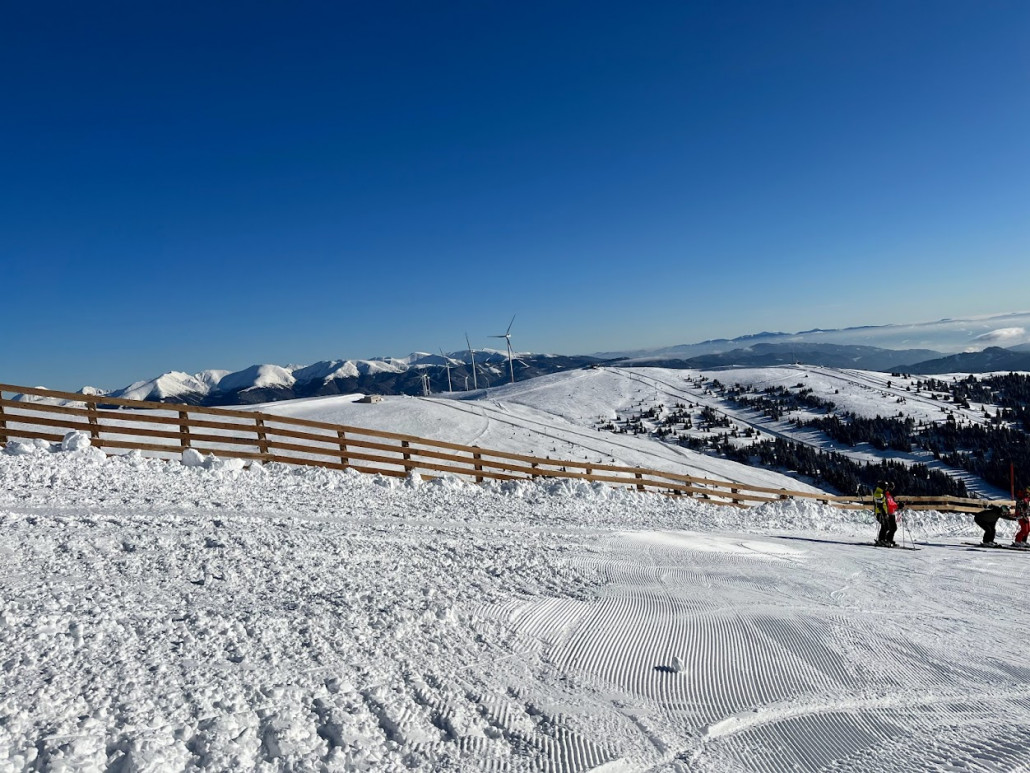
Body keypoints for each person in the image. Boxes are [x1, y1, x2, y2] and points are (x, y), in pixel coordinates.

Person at [873, 480, 903, 546]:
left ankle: (885, 540)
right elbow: (880, 505)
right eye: (886, 486)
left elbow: (886, 504)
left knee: (886, 526)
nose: (887, 488)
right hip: (881, 513)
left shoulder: (882, 493)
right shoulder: (879, 493)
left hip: (884, 512)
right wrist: (884, 513)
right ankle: (882, 540)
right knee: (886, 526)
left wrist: (897, 505)